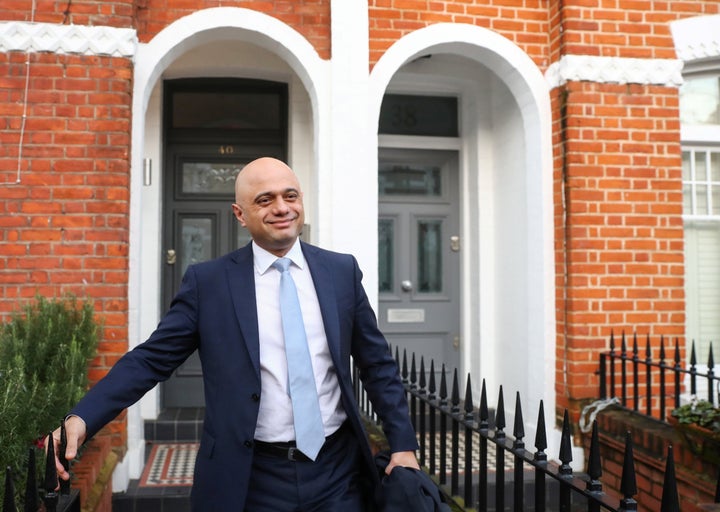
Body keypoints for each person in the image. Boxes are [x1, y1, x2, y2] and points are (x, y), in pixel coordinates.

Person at [51, 156, 420, 511]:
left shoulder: (340, 272)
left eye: (290, 195)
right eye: (265, 199)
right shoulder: (208, 283)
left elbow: (377, 365)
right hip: (252, 478)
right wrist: (84, 417)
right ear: (240, 214)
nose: (281, 207)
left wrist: (403, 445)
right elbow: (150, 361)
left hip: (338, 472)